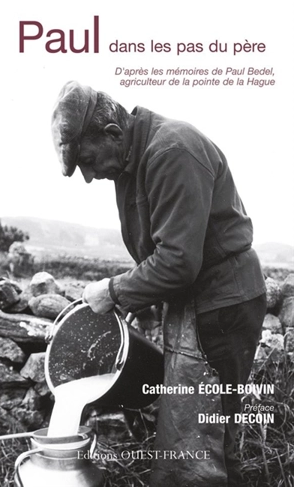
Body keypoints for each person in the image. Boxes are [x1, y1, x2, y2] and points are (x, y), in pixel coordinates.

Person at [51, 80, 267, 487]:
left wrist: (114, 291)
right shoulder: (133, 160)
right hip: (198, 303)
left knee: (204, 443)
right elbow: (162, 249)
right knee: (197, 435)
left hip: (220, 305)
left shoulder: (171, 151)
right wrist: (140, 298)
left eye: (88, 161)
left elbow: (179, 261)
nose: (88, 176)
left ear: (113, 133)